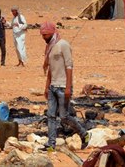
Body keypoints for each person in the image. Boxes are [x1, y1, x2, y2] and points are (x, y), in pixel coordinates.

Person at [40, 21, 90, 151]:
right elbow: (50, 69)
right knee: (50, 116)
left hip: (63, 86)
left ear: (51, 33)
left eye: (45, 35)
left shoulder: (63, 45)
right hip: (52, 86)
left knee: (64, 116)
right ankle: (51, 145)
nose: (43, 37)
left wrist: (68, 87)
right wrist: (46, 86)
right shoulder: (50, 48)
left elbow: (69, 66)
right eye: (42, 35)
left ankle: (84, 134)